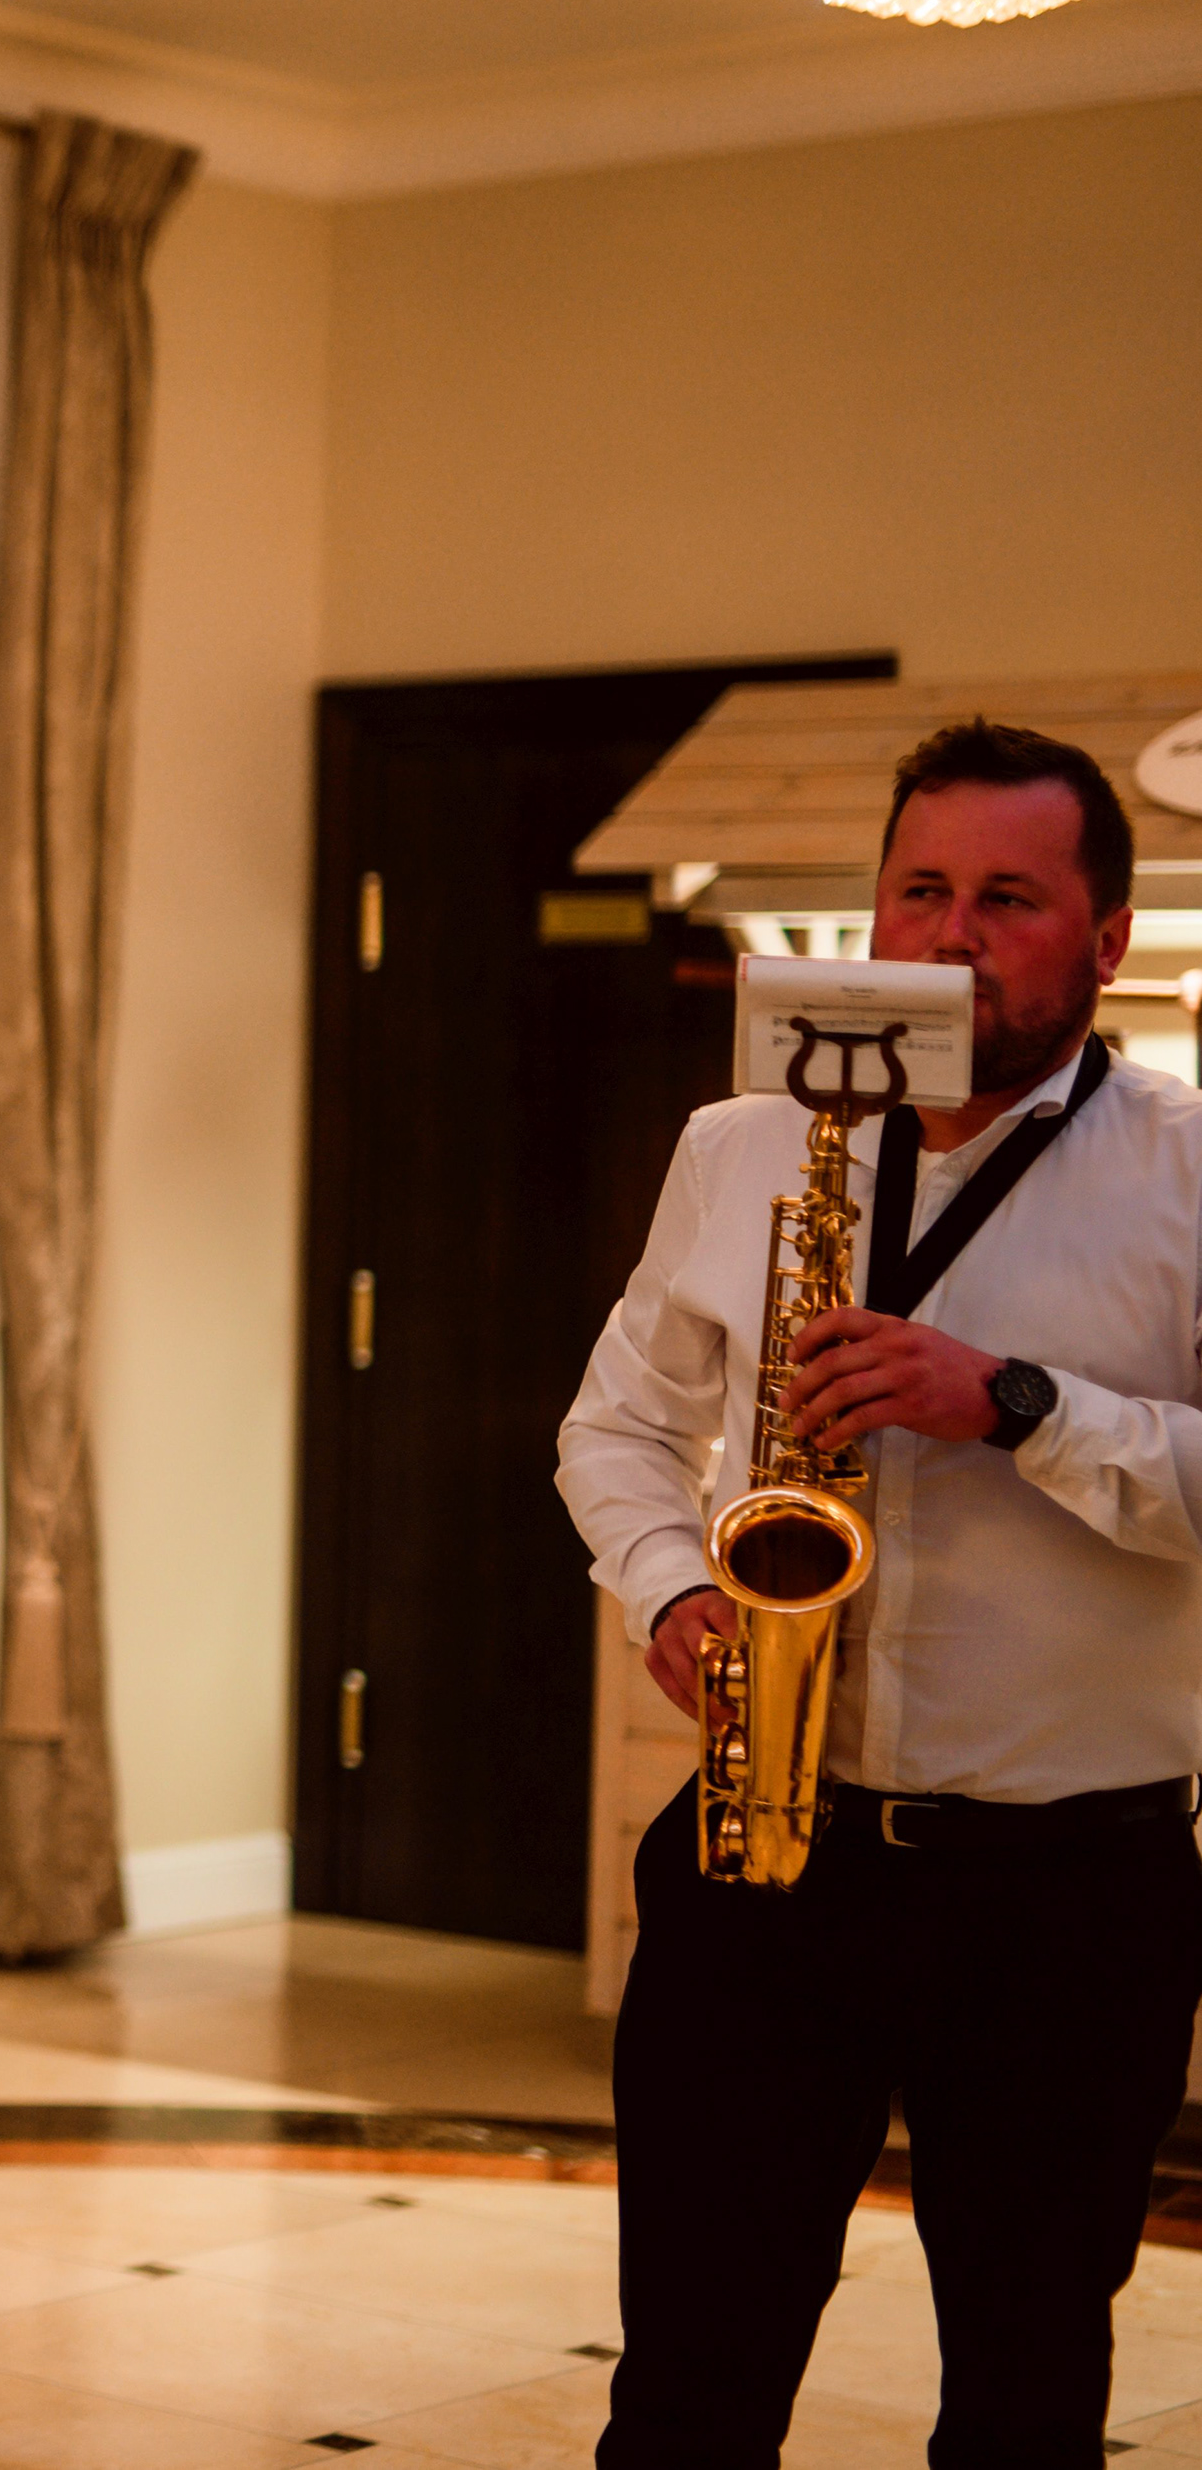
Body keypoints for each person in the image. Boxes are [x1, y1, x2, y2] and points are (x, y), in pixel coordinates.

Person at [559, 720, 1202, 2466]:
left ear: (1108, 938)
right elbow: (615, 1427)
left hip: (1071, 1898)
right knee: (686, 2393)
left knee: (1023, 2400)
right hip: (769, 1860)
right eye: (920, 888)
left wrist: (1022, 1406)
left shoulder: (1187, 1164)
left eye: (1008, 897)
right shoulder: (742, 1144)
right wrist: (672, 1590)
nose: (951, 932)